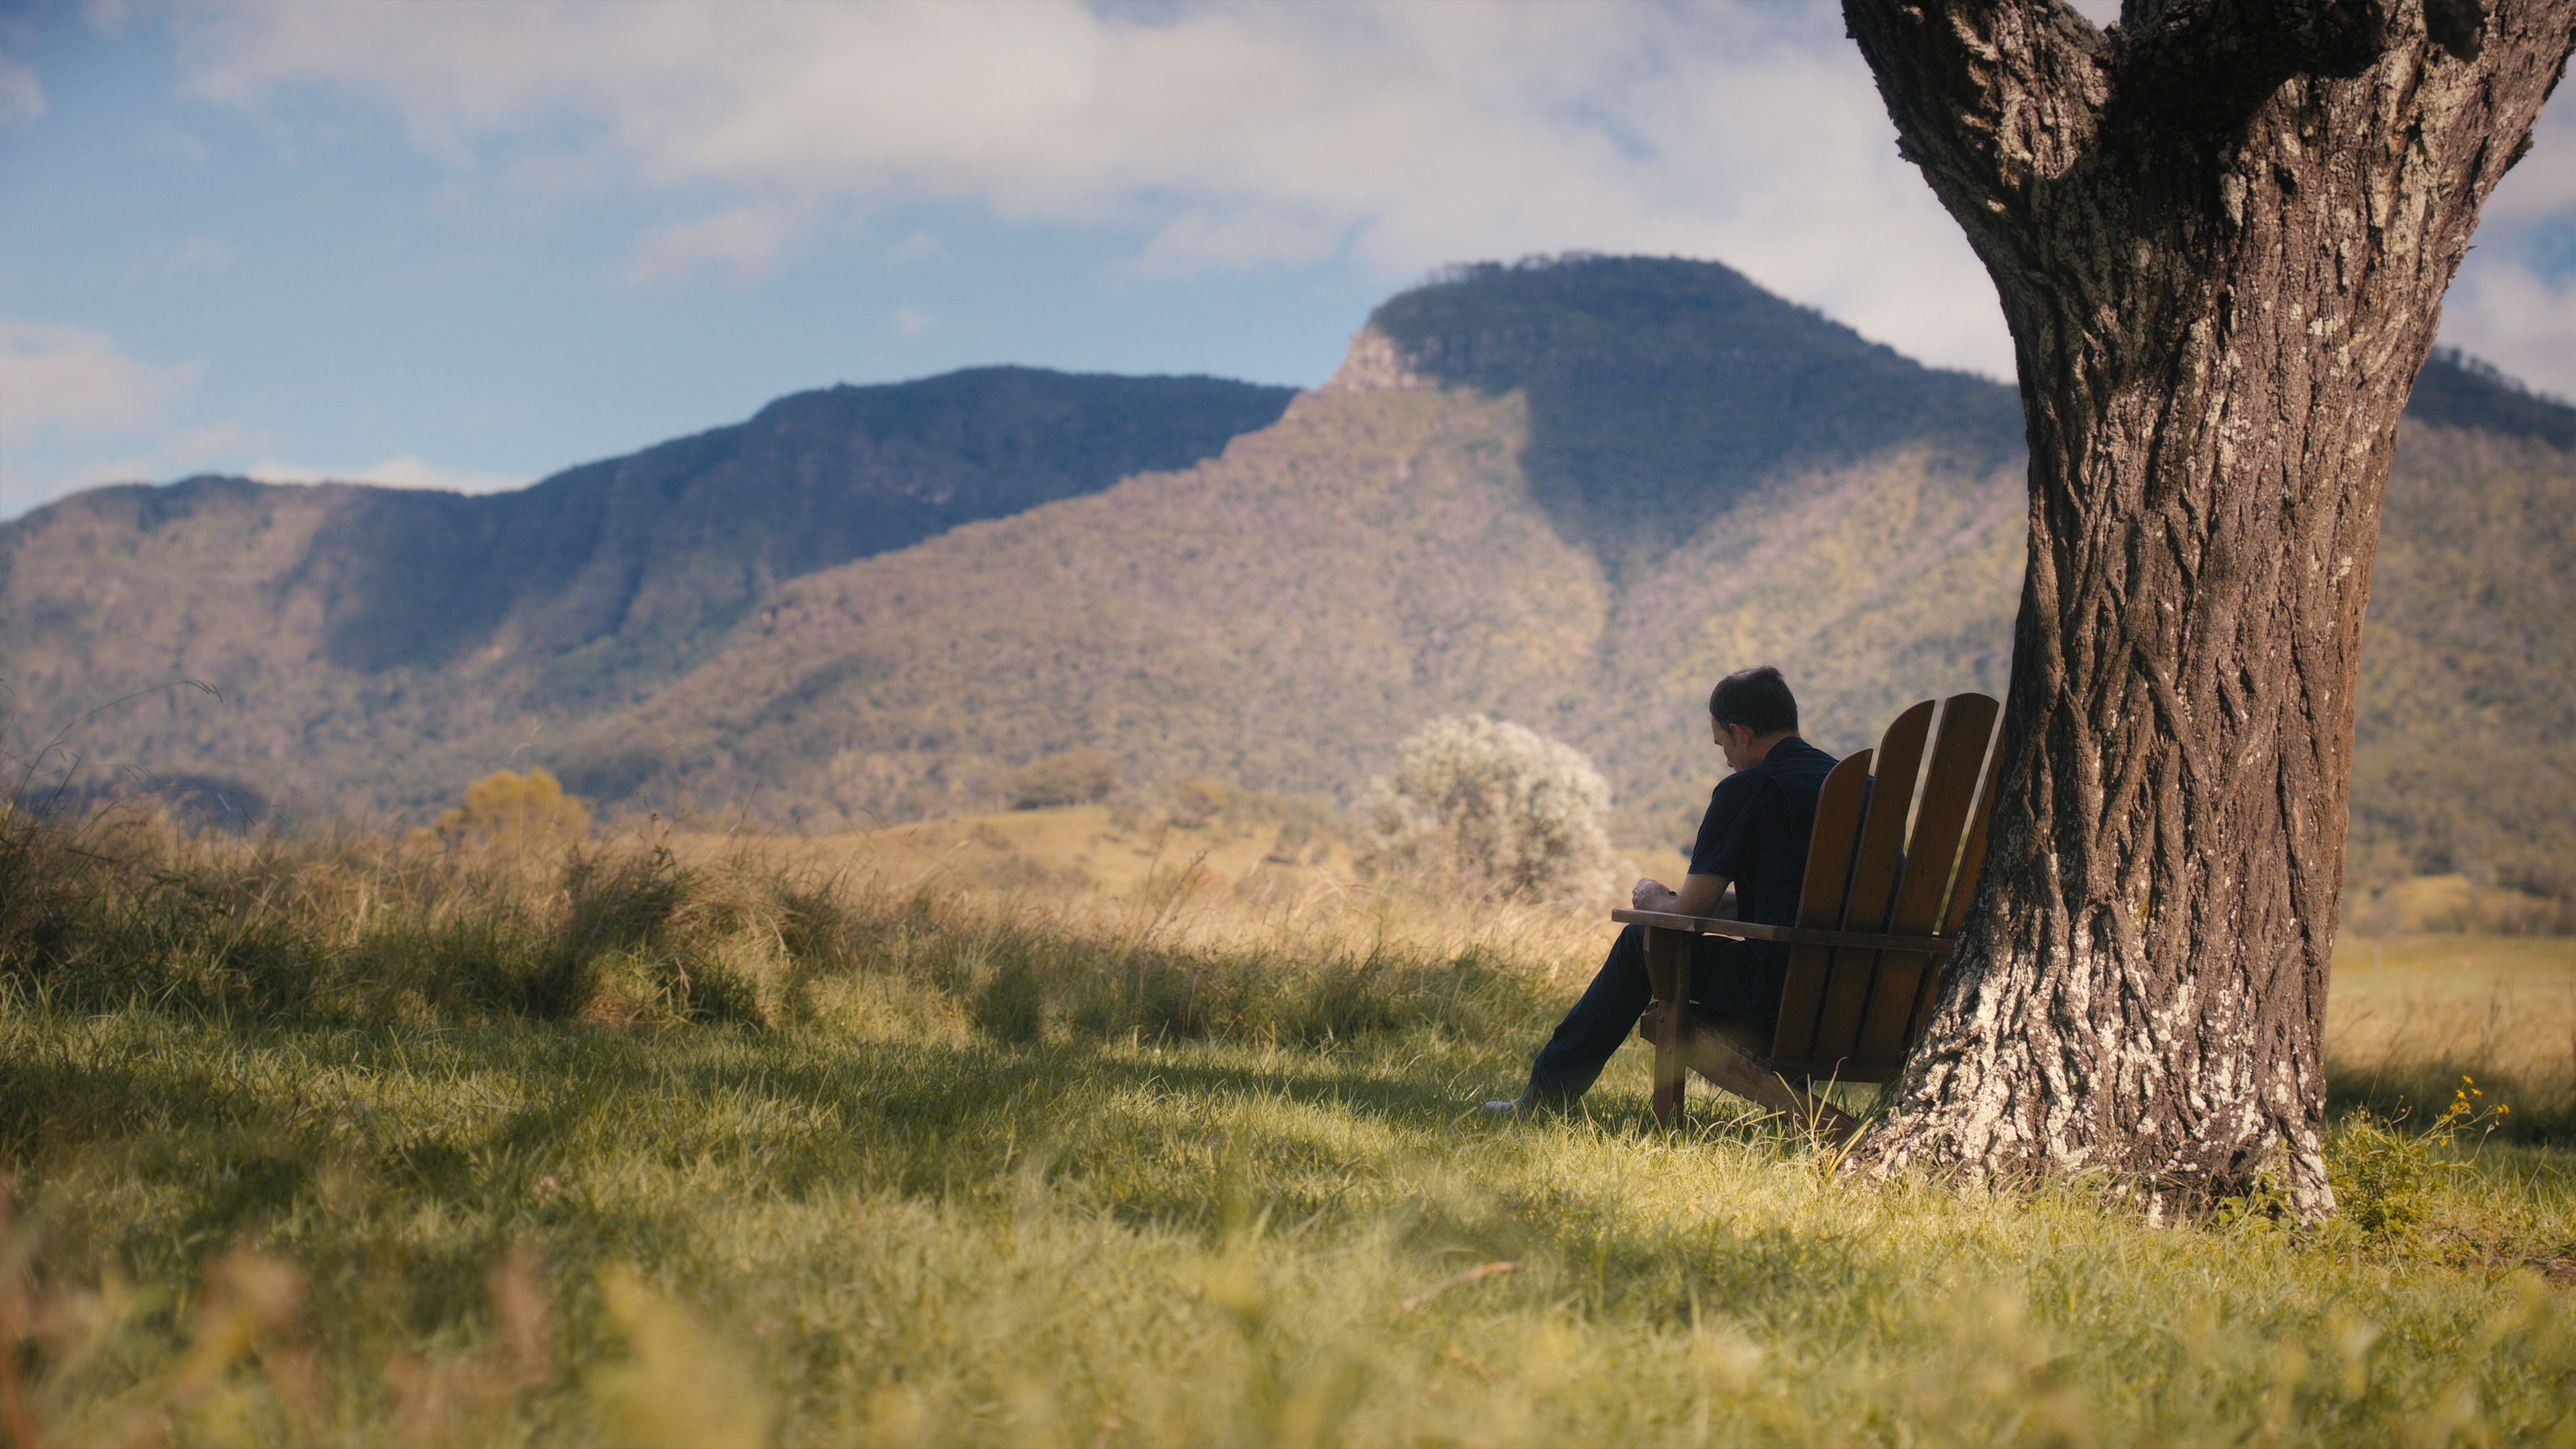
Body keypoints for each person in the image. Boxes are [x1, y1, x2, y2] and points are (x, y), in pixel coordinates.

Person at [1483, 665, 1838, 1112]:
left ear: (1741, 734)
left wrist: (1654, 898)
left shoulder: (1749, 788)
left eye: (1723, 745)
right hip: (1856, 1001)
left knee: (1642, 941)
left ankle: (1544, 1098)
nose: (1727, 760)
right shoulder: (1857, 787)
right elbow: (1800, 905)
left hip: (1782, 995)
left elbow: (1688, 913)